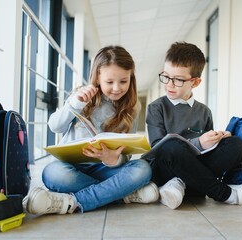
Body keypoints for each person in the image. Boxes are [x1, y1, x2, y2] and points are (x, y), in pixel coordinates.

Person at [26, 45, 159, 215]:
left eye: (123, 81)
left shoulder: (132, 108)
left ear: (131, 78)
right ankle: (121, 194)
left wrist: (114, 160)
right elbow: (55, 126)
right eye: (109, 82)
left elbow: (127, 153)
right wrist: (74, 104)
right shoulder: (79, 96)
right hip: (73, 168)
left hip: (107, 169)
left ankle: (70, 202)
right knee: (52, 173)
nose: (117, 88)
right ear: (97, 78)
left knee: (142, 168)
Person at [145, 42, 242, 210]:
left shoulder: (204, 111)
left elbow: (207, 152)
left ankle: (182, 184)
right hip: (165, 169)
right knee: (170, 147)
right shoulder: (156, 108)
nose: (169, 84)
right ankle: (225, 194)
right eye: (166, 77)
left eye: (178, 80)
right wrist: (199, 143)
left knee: (235, 145)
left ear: (195, 82)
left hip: (193, 168)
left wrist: (217, 140)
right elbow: (157, 149)